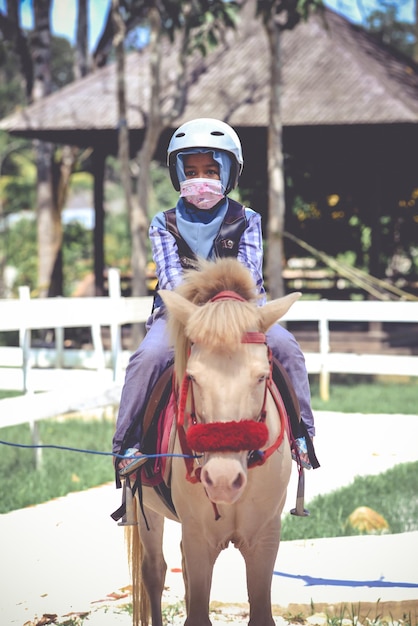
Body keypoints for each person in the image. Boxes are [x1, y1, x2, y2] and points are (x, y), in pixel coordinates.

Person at [113, 118, 316, 476]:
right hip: (181, 315)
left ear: (228, 173)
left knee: (287, 348)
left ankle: (301, 435)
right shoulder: (163, 223)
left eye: (210, 170)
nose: (200, 179)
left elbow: (249, 274)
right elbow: (172, 279)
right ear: (177, 174)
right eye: (190, 171)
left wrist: (225, 311)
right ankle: (127, 445)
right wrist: (200, 313)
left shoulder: (248, 219)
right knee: (148, 357)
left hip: (242, 312)